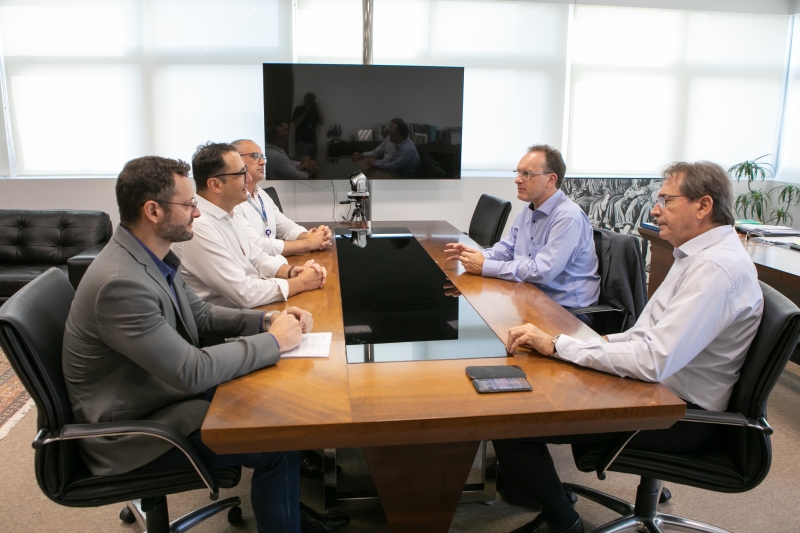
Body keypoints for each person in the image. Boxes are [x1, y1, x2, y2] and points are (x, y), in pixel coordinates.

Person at [62, 155, 349, 533]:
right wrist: (273, 342)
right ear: (153, 211)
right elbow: (191, 371)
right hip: (134, 431)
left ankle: (288, 513)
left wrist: (267, 319)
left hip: (158, 394)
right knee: (276, 442)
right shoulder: (120, 283)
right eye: (188, 205)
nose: (198, 213)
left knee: (276, 402)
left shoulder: (149, 255)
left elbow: (200, 315)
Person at [494, 161, 764, 533]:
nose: (655, 209)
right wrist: (583, 344)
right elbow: (645, 335)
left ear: (703, 206)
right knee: (534, 388)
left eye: (666, 200)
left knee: (512, 423)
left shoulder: (715, 270)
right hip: (656, 391)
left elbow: (652, 359)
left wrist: (560, 347)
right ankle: (534, 492)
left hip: (676, 414)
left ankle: (564, 522)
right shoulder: (696, 256)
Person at [445, 144, 600, 311]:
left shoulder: (568, 217)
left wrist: (485, 266)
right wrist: (477, 257)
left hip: (566, 310)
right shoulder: (529, 208)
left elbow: (542, 272)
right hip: (530, 294)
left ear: (551, 180)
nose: (517, 179)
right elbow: (509, 247)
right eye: (518, 172)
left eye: (527, 174)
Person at [173, 142, 326, 308]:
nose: (249, 179)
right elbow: (244, 293)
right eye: (241, 174)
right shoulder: (199, 226)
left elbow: (257, 258)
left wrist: (293, 272)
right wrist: (302, 282)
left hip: (252, 305)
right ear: (215, 184)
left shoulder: (228, 213)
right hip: (232, 318)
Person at [231, 138, 333, 257]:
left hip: (272, 262)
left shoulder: (261, 194)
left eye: (262, 157)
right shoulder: (231, 201)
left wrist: (312, 236)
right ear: (235, 160)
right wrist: (309, 243)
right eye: (255, 156)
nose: (263, 162)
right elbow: (256, 246)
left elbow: (286, 227)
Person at [292, 92, 325, 160]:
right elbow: (296, 123)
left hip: (313, 142)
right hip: (302, 142)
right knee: (301, 163)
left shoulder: (315, 110)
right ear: (305, 100)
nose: (310, 102)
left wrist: (318, 109)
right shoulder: (299, 109)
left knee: (312, 163)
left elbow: (321, 122)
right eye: (309, 99)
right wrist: (305, 111)